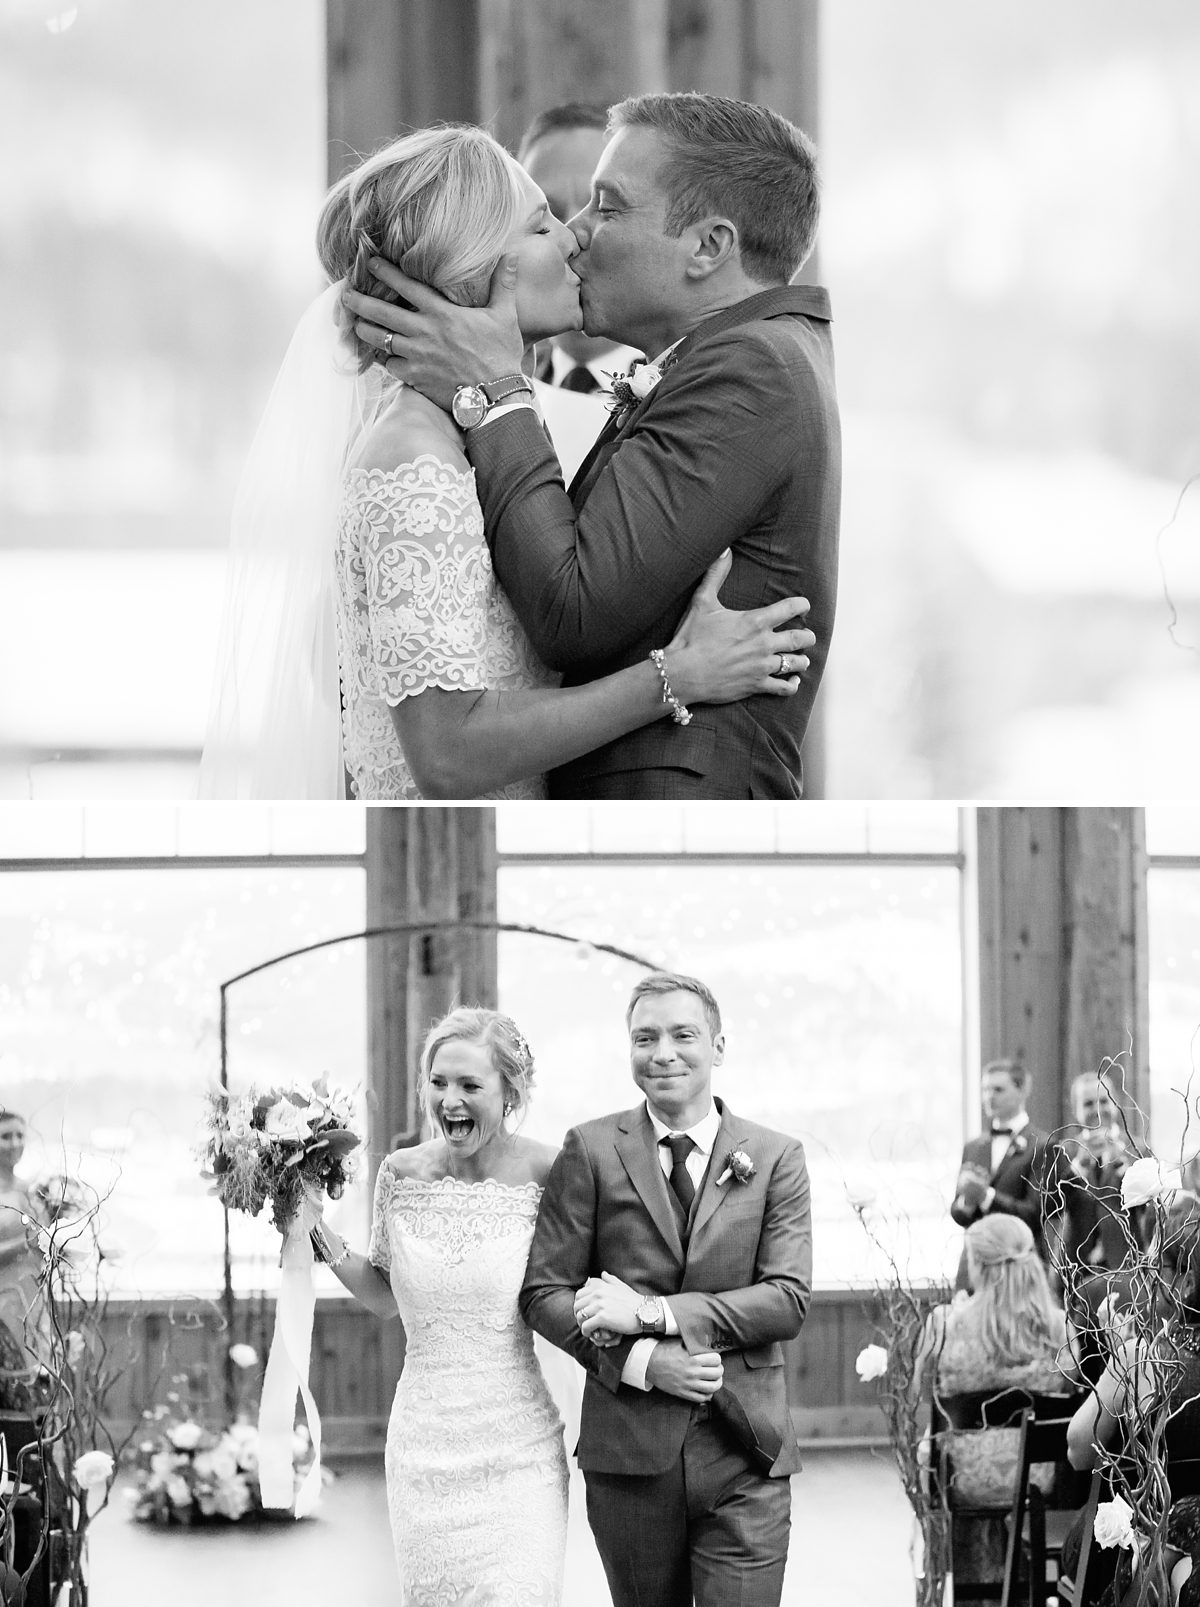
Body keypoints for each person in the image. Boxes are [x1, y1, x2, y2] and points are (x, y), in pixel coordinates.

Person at [198, 124, 814, 800]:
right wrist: (676, 676)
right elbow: (447, 752)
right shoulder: (413, 459)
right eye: (541, 224)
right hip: (452, 865)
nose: (575, 235)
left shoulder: (482, 436)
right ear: (474, 272)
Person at [519, 972, 811, 1607]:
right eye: (644, 1037)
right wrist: (648, 1364)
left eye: (683, 1035)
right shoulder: (591, 1149)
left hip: (747, 1451)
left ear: (719, 1046)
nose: (663, 1053)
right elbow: (544, 1292)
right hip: (628, 1451)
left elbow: (786, 1298)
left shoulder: (777, 1156)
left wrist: (651, 1314)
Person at [307, 1008, 568, 1604]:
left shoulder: (552, 1171)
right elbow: (381, 1296)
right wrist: (311, 1227)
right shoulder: (399, 1173)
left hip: (519, 1451)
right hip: (422, 1450)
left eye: (471, 1085)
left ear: (510, 1093)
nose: (450, 1099)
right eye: (439, 1081)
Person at [912, 1215, 1076, 1589]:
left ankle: (969, 1589)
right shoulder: (1062, 1329)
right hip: (1039, 1480)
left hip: (965, 1479)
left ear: (979, 1264)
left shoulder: (945, 1324)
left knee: (929, 1445)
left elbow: (921, 1394)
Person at [1063, 1191, 1200, 1607]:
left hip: (1137, 1537)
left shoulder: (1142, 1358)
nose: (1150, 1279)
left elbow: (1079, 1451)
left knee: (1087, 1539)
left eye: (1158, 1268)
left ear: (1185, 1282)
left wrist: (1116, 1368)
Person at [518, 102, 643, 483]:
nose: (571, 235)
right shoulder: (495, 386)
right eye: (545, 217)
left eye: (603, 207)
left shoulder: (684, 393)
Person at [951, 1059, 1056, 1286]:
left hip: (1017, 1268)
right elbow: (959, 1214)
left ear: (1022, 1091)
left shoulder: (1042, 1146)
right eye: (985, 1090)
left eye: (998, 1089)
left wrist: (985, 1196)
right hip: (974, 1268)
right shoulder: (974, 1146)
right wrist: (967, 1201)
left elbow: (1034, 1213)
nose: (989, 1096)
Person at [0, 1108, 44, 1404]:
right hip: (2, 1299)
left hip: (31, 1296)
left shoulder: (30, 1190)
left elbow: (42, 1242)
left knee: (32, 1384)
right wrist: (20, 1245)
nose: (15, 1142)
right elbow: (27, 1241)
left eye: (20, 1135)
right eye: (6, 1136)